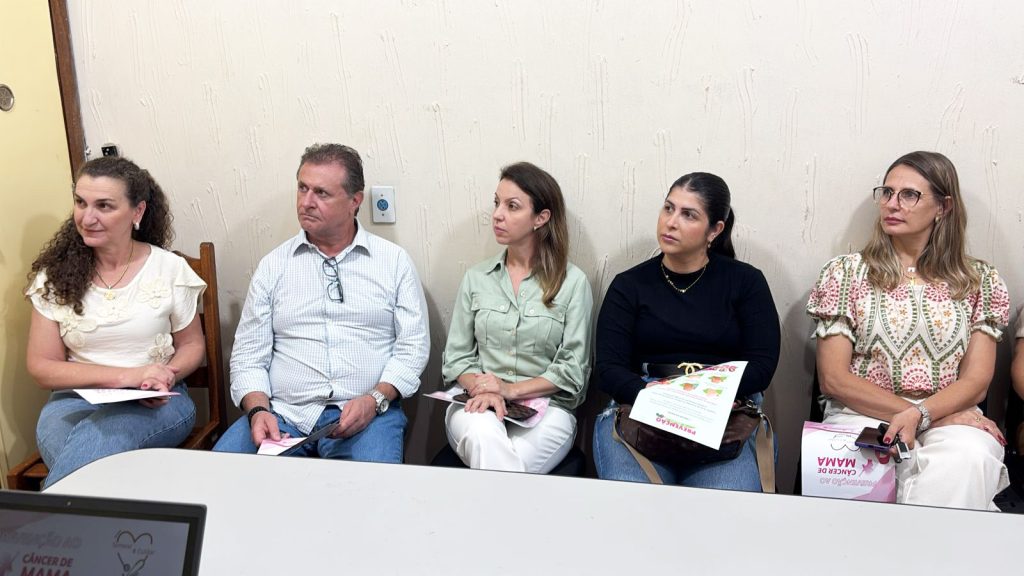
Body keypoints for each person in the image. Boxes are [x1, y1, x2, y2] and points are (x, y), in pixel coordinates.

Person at [808, 151, 1010, 510]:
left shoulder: (980, 280)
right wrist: (921, 414)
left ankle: (929, 548)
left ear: (943, 207)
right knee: (869, 460)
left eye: (909, 195)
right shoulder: (847, 274)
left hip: (951, 420)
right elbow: (834, 379)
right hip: (862, 414)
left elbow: (976, 381)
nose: (892, 204)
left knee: (971, 456)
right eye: (887, 192)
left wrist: (924, 415)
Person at [214, 144, 429, 463]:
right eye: (302, 188)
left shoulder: (393, 262)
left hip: (366, 415)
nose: (306, 202)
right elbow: (248, 355)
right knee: (219, 475)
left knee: (371, 489)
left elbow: (413, 347)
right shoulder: (274, 266)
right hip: (283, 414)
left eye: (321, 193)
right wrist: (258, 410)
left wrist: (375, 399)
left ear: (355, 201)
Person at [592, 172, 780, 489]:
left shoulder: (746, 282)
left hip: (722, 411)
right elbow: (609, 369)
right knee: (632, 502)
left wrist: (702, 397)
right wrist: (661, 400)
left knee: (725, 506)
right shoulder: (629, 285)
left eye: (688, 214)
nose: (671, 222)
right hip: (642, 404)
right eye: (668, 208)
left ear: (715, 230)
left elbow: (761, 365)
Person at [26, 156, 205, 488]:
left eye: (104, 206)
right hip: (72, 402)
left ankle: (45, 517)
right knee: (93, 458)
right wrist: (127, 377)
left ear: (137, 212)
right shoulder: (54, 276)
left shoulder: (169, 268)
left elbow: (192, 344)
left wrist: (162, 376)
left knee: (97, 443)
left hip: (159, 400)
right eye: (80, 202)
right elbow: (41, 367)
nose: (87, 217)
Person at [442, 162, 593, 473]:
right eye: (497, 203)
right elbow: (456, 358)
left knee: (505, 463)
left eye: (512, 206)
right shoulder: (477, 278)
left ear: (541, 218)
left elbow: (572, 370)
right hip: (476, 400)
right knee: (483, 437)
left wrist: (509, 390)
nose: (497, 214)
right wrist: (485, 389)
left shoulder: (572, 283)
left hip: (548, 409)